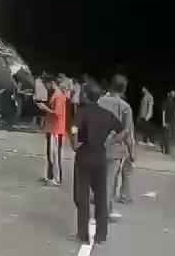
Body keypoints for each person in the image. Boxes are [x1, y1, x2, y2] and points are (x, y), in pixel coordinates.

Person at [71, 80, 128, 245]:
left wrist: (75, 143)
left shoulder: (82, 112)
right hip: (100, 158)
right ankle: (101, 235)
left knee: (81, 197)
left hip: (83, 158)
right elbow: (124, 131)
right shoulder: (106, 114)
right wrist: (111, 141)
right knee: (101, 197)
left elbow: (74, 129)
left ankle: (83, 235)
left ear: (86, 96)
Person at [99, 75, 135, 216]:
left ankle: (102, 206)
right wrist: (131, 153)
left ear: (110, 85)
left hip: (97, 145)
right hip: (114, 149)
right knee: (110, 181)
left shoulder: (100, 101)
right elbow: (127, 133)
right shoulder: (125, 107)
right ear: (124, 89)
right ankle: (105, 211)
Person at [36, 76, 66, 185]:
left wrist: (45, 108)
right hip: (51, 128)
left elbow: (57, 113)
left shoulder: (58, 96)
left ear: (52, 83)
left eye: (46, 84)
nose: (45, 86)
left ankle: (57, 178)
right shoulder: (54, 95)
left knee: (55, 155)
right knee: (50, 154)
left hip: (57, 130)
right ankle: (50, 176)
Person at [162, 90, 175, 155]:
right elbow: (163, 112)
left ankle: (168, 148)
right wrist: (163, 121)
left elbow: (174, 111)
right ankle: (165, 149)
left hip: (173, 121)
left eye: (174, 93)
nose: (174, 94)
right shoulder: (165, 102)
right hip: (167, 121)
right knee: (166, 135)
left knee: (171, 135)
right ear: (169, 93)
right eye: (172, 93)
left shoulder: (173, 102)